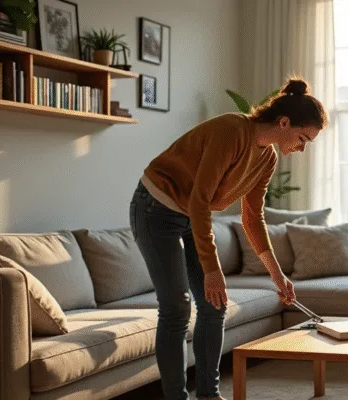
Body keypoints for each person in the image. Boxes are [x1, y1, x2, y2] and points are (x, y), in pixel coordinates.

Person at [129, 78, 327, 400]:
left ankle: (209, 395)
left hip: (190, 215)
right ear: (284, 122)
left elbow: (253, 218)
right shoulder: (231, 130)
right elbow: (199, 201)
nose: (303, 148)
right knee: (177, 307)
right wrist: (211, 269)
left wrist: (277, 275)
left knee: (214, 304)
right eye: (303, 138)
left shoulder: (268, 158)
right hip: (156, 208)